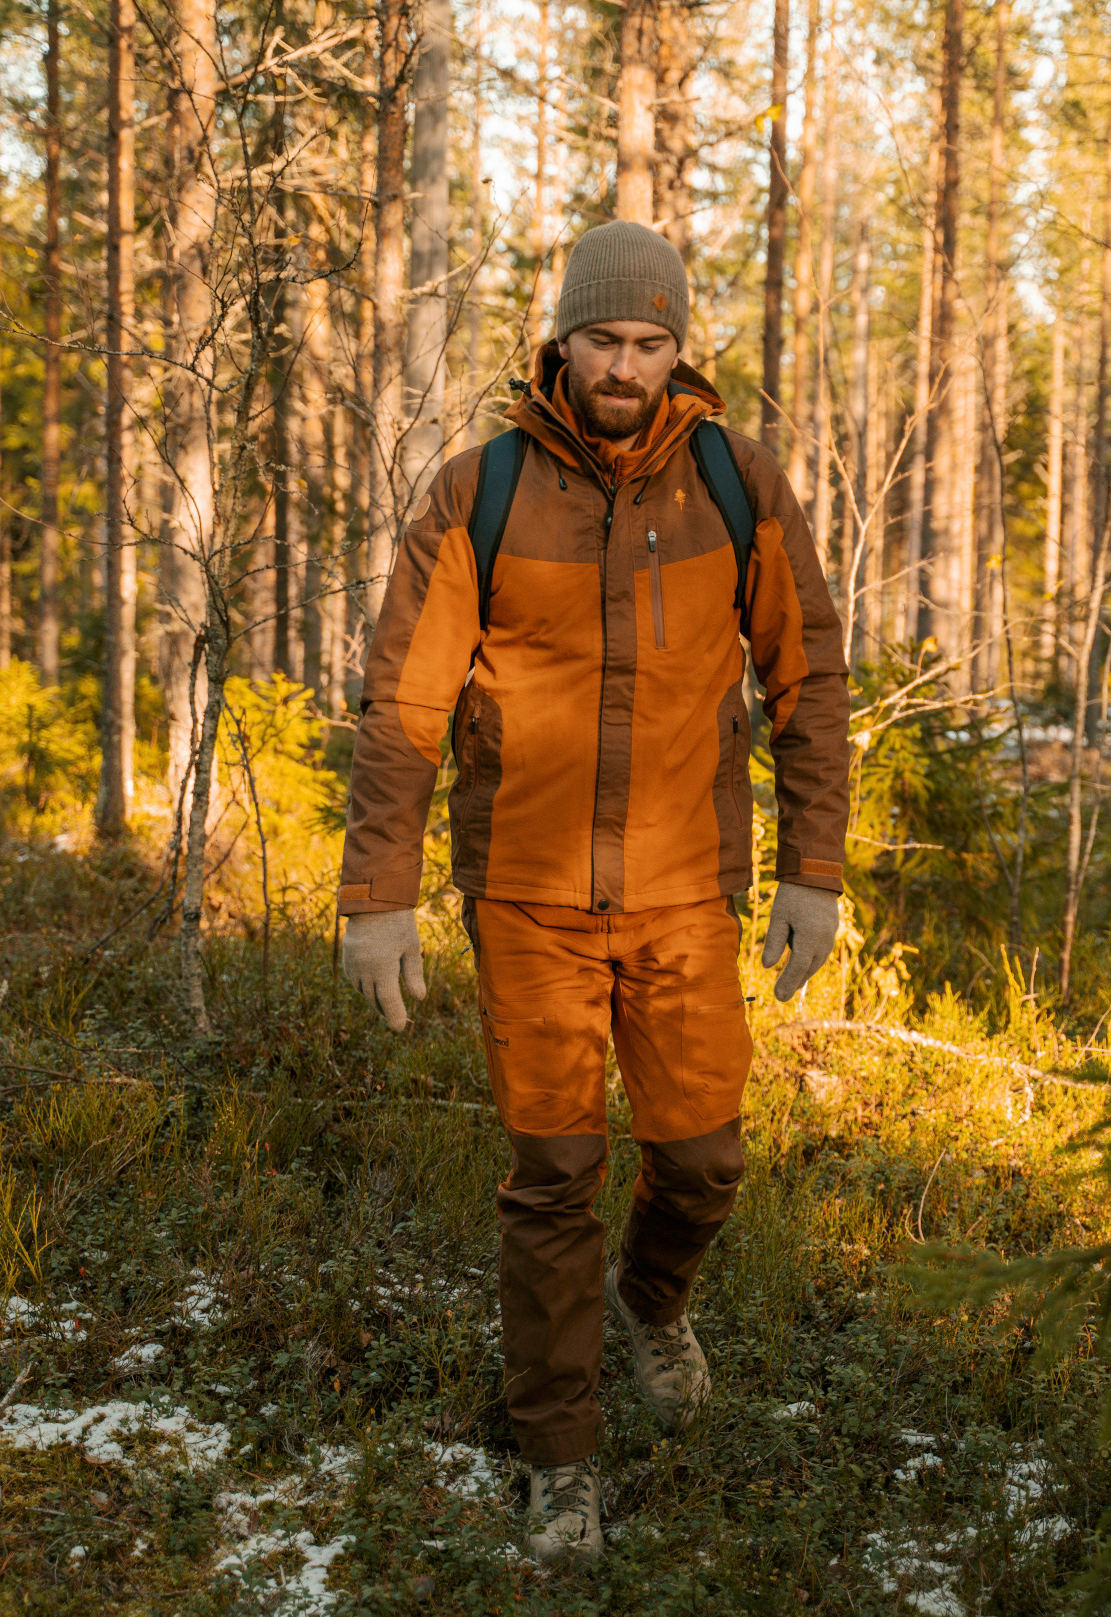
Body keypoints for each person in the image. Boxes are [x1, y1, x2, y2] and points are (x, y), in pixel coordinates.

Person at [337, 220, 849, 1563]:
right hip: (528, 897)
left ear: (679, 348)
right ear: (559, 340)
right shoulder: (481, 491)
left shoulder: (736, 481)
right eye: (602, 338)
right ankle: (558, 1455)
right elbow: (404, 704)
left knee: (704, 1161)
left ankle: (653, 1303)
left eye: (648, 341)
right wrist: (377, 893)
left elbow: (808, 679)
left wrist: (813, 869)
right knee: (554, 1177)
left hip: (684, 893)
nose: (624, 365)